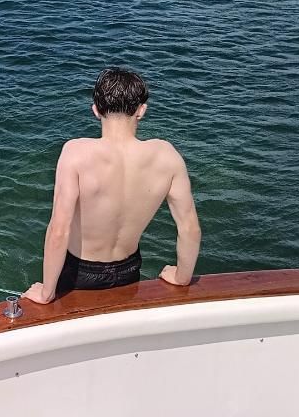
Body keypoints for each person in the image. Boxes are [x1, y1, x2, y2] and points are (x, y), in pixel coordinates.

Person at [24, 67, 201, 303]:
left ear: (96, 110)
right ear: (141, 110)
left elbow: (59, 230)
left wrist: (47, 292)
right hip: (128, 269)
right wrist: (182, 277)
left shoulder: (75, 152)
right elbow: (190, 228)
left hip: (79, 271)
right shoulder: (166, 155)